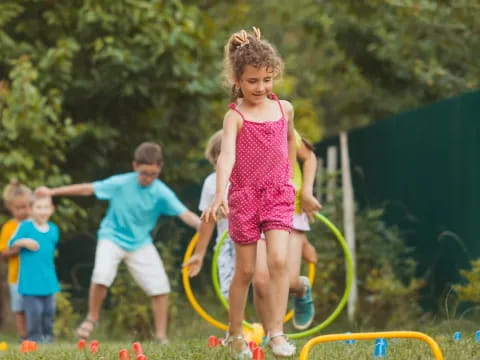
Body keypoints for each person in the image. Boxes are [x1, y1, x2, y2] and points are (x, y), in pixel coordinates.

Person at [35, 142, 200, 344]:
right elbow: (88, 189)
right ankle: (92, 318)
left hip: (140, 243)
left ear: (160, 168)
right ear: (134, 166)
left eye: (152, 174)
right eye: (143, 173)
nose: (148, 179)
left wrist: (204, 226)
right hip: (111, 237)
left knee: (161, 288)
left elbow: (185, 214)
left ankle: (161, 336)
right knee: (102, 275)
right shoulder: (121, 183)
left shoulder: (161, 192)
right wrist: (52, 192)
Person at [202, 27, 296, 359]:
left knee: (279, 261)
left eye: (267, 79)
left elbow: (290, 142)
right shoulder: (235, 115)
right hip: (244, 196)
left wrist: (293, 179)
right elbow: (226, 155)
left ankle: (277, 332)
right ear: (237, 80)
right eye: (253, 81)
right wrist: (219, 194)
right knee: (245, 271)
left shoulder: (285, 109)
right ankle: (235, 332)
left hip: (278, 195)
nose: (261, 87)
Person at [185, 130, 235, 298]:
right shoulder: (211, 183)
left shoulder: (250, 177)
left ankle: (268, 323)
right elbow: (207, 220)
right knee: (229, 291)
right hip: (226, 243)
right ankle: (236, 323)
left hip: (256, 239)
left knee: (262, 284)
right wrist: (199, 253)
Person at [8, 194, 59, 343]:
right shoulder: (25, 227)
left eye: (46, 207)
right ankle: (34, 340)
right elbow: (12, 242)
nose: (42, 211)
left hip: (49, 281)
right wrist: (24, 241)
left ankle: (48, 339)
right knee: (34, 313)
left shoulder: (53, 230)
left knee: (49, 313)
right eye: (39, 207)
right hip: (30, 283)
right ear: (31, 210)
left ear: (52, 209)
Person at [0, 180, 32, 340]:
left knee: (36, 307)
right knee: (20, 309)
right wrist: (16, 249)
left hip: (35, 276)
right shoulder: (9, 227)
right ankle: (23, 337)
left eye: (25, 206)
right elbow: (3, 253)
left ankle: (38, 336)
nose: (22, 211)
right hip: (16, 277)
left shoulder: (36, 224)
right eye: (18, 208)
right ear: (11, 208)